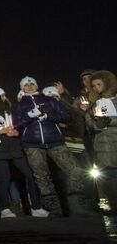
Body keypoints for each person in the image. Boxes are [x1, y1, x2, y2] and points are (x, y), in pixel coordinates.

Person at [13, 76, 92, 216]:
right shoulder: (19, 105)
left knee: (75, 170)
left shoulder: (49, 99)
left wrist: (49, 116)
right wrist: (30, 116)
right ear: (22, 88)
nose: (30, 86)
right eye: (26, 85)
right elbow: (16, 124)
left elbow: (66, 116)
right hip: (32, 143)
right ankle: (53, 208)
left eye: (32, 84)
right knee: (41, 175)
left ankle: (77, 204)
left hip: (55, 140)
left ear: (37, 86)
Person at [0, 86, 50, 218]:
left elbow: (17, 125)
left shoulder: (9, 111)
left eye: (4, 95)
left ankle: (36, 207)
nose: (4, 98)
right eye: (1, 96)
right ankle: (5, 209)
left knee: (30, 174)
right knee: (4, 177)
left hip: (14, 146)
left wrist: (16, 132)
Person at [85, 70, 117, 212]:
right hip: (102, 145)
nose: (96, 87)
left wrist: (109, 120)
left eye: (99, 84)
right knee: (106, 179)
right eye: (94, 85)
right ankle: (114, 205)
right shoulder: (94, 104)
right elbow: (89, 122)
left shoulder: (115, 101)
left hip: (115, 140)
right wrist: (97, 123)